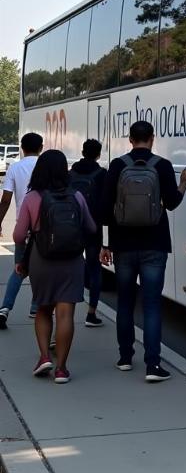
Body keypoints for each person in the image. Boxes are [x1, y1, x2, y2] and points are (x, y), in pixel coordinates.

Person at [101, 121, 186, 382]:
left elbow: (105, 208)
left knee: (125, 303)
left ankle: (124, 358)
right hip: (155, 244)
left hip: (123, 245)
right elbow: (172, 204)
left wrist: (106, 244)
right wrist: (184, 183)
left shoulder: (118, 166)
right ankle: (153, 365)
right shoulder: (162, 166)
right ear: (152, 139)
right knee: (152, 305)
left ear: (130, 139)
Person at [13, 150, 96, 383]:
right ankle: (62, 368)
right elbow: (90, 227)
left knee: (43, 309)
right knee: (65, 313)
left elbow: (18, 236)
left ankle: (43, 357)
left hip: (42, 259)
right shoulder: (76, 196)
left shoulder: (32, 198)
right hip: (72, 261)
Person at [0, 132, 43, 328]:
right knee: (41, 269)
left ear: (21, 148)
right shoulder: (46, 166)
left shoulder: (15, 167)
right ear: (41, 147)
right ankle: (36, 307)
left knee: (19, 268)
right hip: (44, 228)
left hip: (22, 227)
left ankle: (4, 309)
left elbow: (6, 200)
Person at [69, 139, 107, 327]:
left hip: (72, 227)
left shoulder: (71, 173)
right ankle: (91, 313)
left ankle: (66, 312)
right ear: (99, 154)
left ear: (82, 152)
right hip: (94, 228)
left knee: (72, 267)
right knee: (94, 268)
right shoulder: (102, 174)